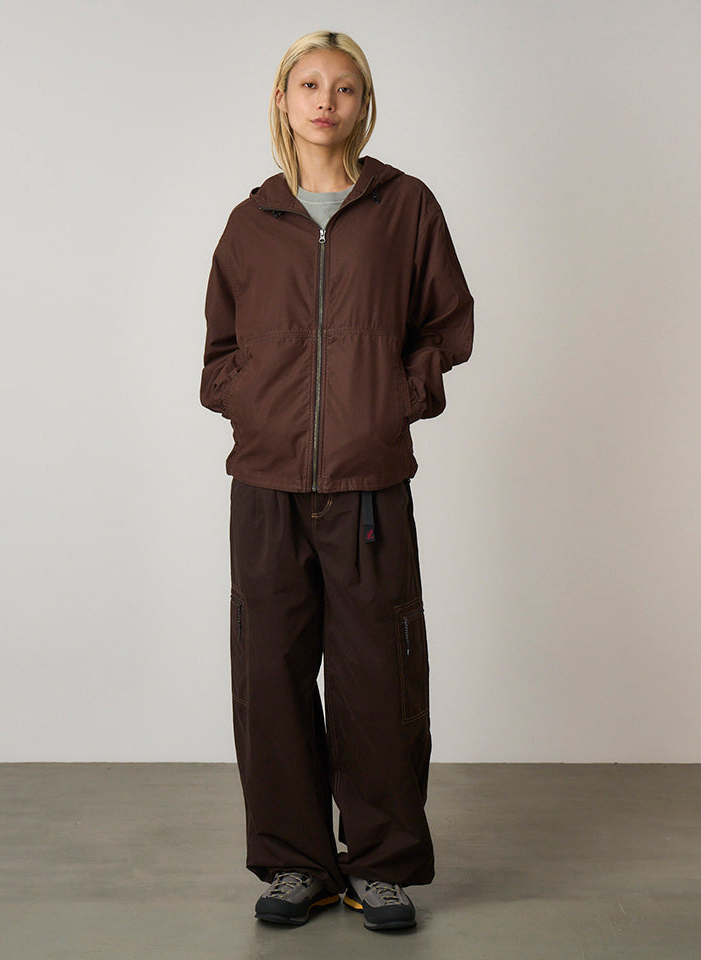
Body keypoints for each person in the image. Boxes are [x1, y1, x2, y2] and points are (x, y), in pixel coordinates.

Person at [200, 30, 474, 932]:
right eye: (310, 84)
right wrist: (251, 406)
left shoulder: (405, 207)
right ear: (284, 99)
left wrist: (395, 400)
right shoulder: (250, 222)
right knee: (270, 676)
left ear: (363, 104)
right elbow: (220, 352)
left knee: (377, 678)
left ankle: (382, 866)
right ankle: (295, 864)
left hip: (368, 484)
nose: (327, 101)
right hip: (266, 486)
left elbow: (448, 323)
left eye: (345, 87)